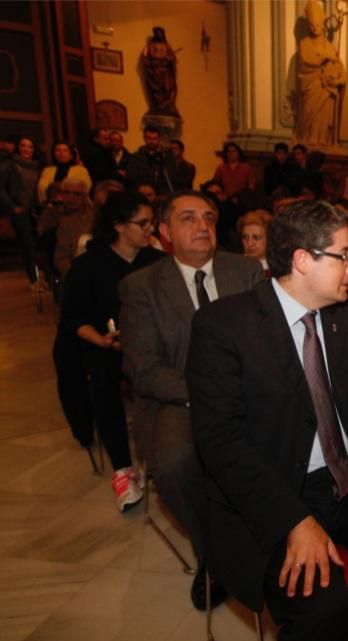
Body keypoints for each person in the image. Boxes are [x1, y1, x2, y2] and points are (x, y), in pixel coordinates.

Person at [186, 200, 348, 641]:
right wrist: (292, 520)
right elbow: (221, 445)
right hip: (272, 492)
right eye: (343, 255)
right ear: (302, 259)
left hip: (347, 480)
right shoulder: (224, 326)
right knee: (327, 609)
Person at [119, 190, 262, 610]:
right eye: (188, 218)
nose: (202, 226)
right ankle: (214, 555)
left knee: (288, 440)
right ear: (163, 232)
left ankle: (271, 532)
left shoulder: (245, 271)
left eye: (209, 217)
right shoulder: (141, 287)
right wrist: (210, 394)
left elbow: (266, 340)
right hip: (175, 399)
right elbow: (144, 370)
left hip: (247, 389)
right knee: (174, 463)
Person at [59, 192, 164, 511]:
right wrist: (103, 340)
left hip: (149, 346)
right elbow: (74, 318)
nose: (150, 229)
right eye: (142, 223)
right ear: (119, 226)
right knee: (104, 381)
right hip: (105, 345)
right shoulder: (88, 265)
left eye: (151, 222)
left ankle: (158, 460)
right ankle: (122, 468)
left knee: (162, 381)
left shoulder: (156, 262)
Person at [294, 0, 347, 146]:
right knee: (309, 114)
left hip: (326, 90)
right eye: (312, 26)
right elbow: (305, 62)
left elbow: (338, 67)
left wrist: (338, 79)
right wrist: (323, 59)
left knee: (322, 118)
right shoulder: (304, 43)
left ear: (322, 26)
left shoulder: (329, 46)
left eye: (317, 25)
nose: (315, 28)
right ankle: (306, 139)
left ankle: (321, 140)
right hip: (311, 87)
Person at [0, 136, 41, 283]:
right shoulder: (10, 165)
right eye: (23, 146)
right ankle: (33, 279)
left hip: (35, 211)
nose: (26, 149)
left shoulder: (38, 165)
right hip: (18, 210)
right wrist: (12, 206)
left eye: (30, 146)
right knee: (27, 244)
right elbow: (1, 188)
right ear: (18, 147)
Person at [126, 126, 179, 194]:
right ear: (144, 138)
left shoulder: (166, 156)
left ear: (159, 139)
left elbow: (172, 175)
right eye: (149, 138)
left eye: (155, 139)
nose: (152, 141)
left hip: (162, 193)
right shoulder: (136, 156)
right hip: (142, 192)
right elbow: (131, 176)